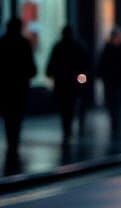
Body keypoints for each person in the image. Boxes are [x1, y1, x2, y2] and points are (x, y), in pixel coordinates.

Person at [0, 17, 38, 167]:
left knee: (8, 117)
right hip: (19, 88)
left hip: (5, 88)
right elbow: (31, 68)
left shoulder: (2, 43)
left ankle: (11, 144)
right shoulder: (23, 44)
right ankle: (14, 145)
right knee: (16, 117)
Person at [46, 26, 90, 142]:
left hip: (62, 82)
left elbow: (51, 64)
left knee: (64, 107)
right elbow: (85, 64)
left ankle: (67, 129)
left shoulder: (59, 46)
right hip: (72, 83)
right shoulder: (77, 46)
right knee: (70, 106)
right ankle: (68, 128)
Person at [97, 27, 121, 142]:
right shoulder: (108, 50)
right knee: (113, 106)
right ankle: (117, 127)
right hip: (112, 83)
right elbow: (101, 66)